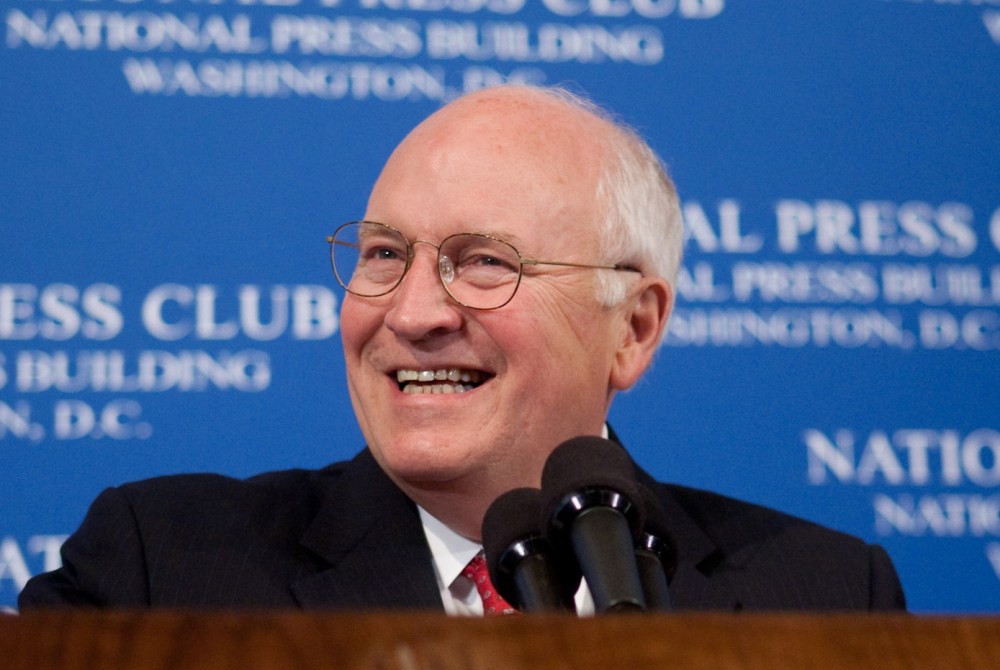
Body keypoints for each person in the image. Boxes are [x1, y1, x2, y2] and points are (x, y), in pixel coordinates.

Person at [18, 84, 906, 613]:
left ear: (633, 329)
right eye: (383, 256)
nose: (412, 313)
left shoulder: (826, 592)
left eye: (483, 263)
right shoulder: (162, 567)